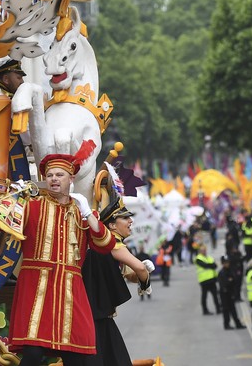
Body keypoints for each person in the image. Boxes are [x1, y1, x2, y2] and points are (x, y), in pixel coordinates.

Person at [9, 140, 116, 366]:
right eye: (50, 175)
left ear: (71, 179)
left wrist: (88, 212)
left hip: (69, 288)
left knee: (76, 355)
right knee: (32, 353)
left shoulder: (81, 212)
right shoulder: (32, 206)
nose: (54, 179)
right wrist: (10, 201)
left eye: (60, 175)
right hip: (36, 286)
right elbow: (0, 224)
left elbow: (104, 244)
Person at [82, 188, 152, 366]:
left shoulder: (108, 243)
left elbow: (131, 274)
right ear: (112, 226)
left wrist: (142, 273)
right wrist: (145, 285)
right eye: (125, 218)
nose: (130, 221)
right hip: (93, 316)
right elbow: (139, 270)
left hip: (97, 314)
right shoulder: (113, 244)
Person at [218, 256, 247, 330]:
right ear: (223, 263)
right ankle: (226, 324)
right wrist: (230, 280)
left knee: (233, 309)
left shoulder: (230, 270)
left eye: (227, 262)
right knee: (226, 309)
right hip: (224, 294)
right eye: (225, 263)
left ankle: (238, 324)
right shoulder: (221, 272)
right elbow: (225, 283)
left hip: (230, 293)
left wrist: (231, 280)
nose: (227, 264)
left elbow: (234, 280)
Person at [194, 243, 220, 315]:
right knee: (204, 296)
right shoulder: (198, 258)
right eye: (202, 250)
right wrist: (211, 265)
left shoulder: (209, 257)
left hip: (212, 279)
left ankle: (218, 309)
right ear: (200, 251)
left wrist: (211, 265)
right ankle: (205, 310)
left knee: (215, 295)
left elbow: (214, 266)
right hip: (204, 280)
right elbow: (205, 266)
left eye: (205, 250)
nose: (204, 251)